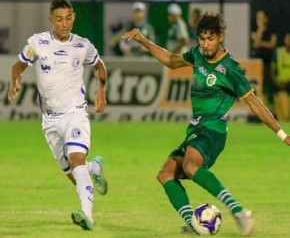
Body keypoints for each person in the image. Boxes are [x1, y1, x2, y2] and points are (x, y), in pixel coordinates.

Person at [122, 12, 290, 236]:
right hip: (196, 129)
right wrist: (143, 40)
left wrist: (282, 134)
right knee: (165, 174)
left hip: (213, 131)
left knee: (191, 167)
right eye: (201, 39)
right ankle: (194, 224)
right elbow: (172, 61)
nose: (205, 44)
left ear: (220, 37)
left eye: (210, 39)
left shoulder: (230, 69)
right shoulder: (197, 55)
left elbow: (254, 103)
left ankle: (238, 211)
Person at [7, 0, 108, 231]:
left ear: (74, 17)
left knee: (76, 160)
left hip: (75, 113)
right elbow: (18, 66)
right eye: (59, 19)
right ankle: (95, 168)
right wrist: (15, 82)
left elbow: (99, 65)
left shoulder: (83, 45)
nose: (65, 24)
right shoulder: (37, 42)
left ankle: (87, 215)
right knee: (74, 173)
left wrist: (101, 90)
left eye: (69, 18)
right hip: (50, 121)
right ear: (51, 20)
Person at [251, 10, 277, 114]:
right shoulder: (255, 30)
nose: (260, 19)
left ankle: (272, 110)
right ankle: (259, 112)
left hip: (268, 62)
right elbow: (256, 43)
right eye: (258, 17)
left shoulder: (271, 30)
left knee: (268, 86)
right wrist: (260, 29)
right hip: (257, 63)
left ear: (265, 18)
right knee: (258, 87)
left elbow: (272, 44)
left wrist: (261, 43)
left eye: (261, 17)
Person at [272, 32, 290, 121]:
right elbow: (273, 69)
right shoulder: (278, 52)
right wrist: (276, 82)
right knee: (283, 116)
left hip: (288, 85)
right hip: (281, 87)